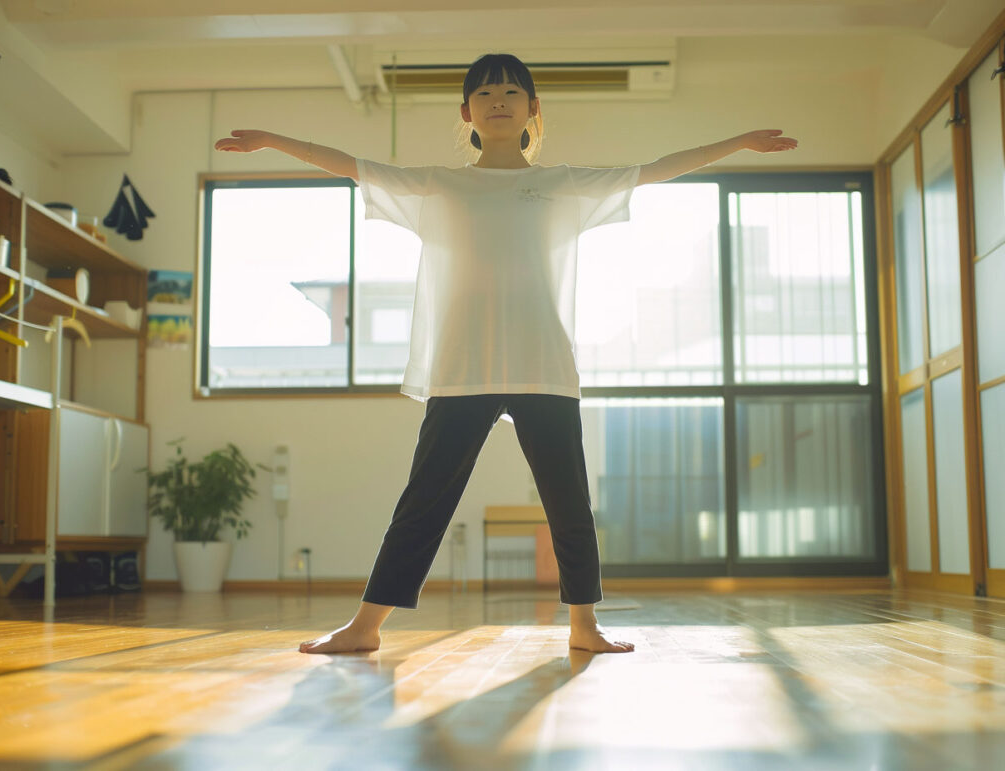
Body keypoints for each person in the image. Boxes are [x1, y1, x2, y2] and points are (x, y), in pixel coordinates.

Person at [214, 53, 798, 655]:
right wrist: (271, 141)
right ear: (466, 112)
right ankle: (364, 629)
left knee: (569, 502)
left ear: (532, 109)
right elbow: (354, 166)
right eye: (486, 91)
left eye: (512, 91)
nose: (499, 99)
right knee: (424, 502)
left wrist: (741, 142)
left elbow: (652, 171)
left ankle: (585, 627)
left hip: (543, 365)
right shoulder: (441, 183)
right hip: (463, 369)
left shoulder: (559, 183)